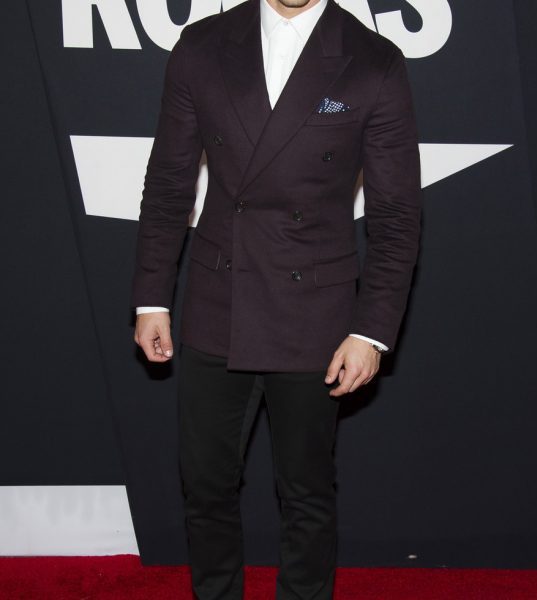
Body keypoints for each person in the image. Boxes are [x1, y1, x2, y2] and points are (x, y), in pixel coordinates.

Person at [130, 0, 421, 597]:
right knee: (205, 486)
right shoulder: (201, 46)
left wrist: (371, 331)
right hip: (218, 299)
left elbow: (396, 218)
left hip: (315, 314)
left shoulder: (374, 62)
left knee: (306, 492)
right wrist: (151, 297)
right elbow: (168, 184)